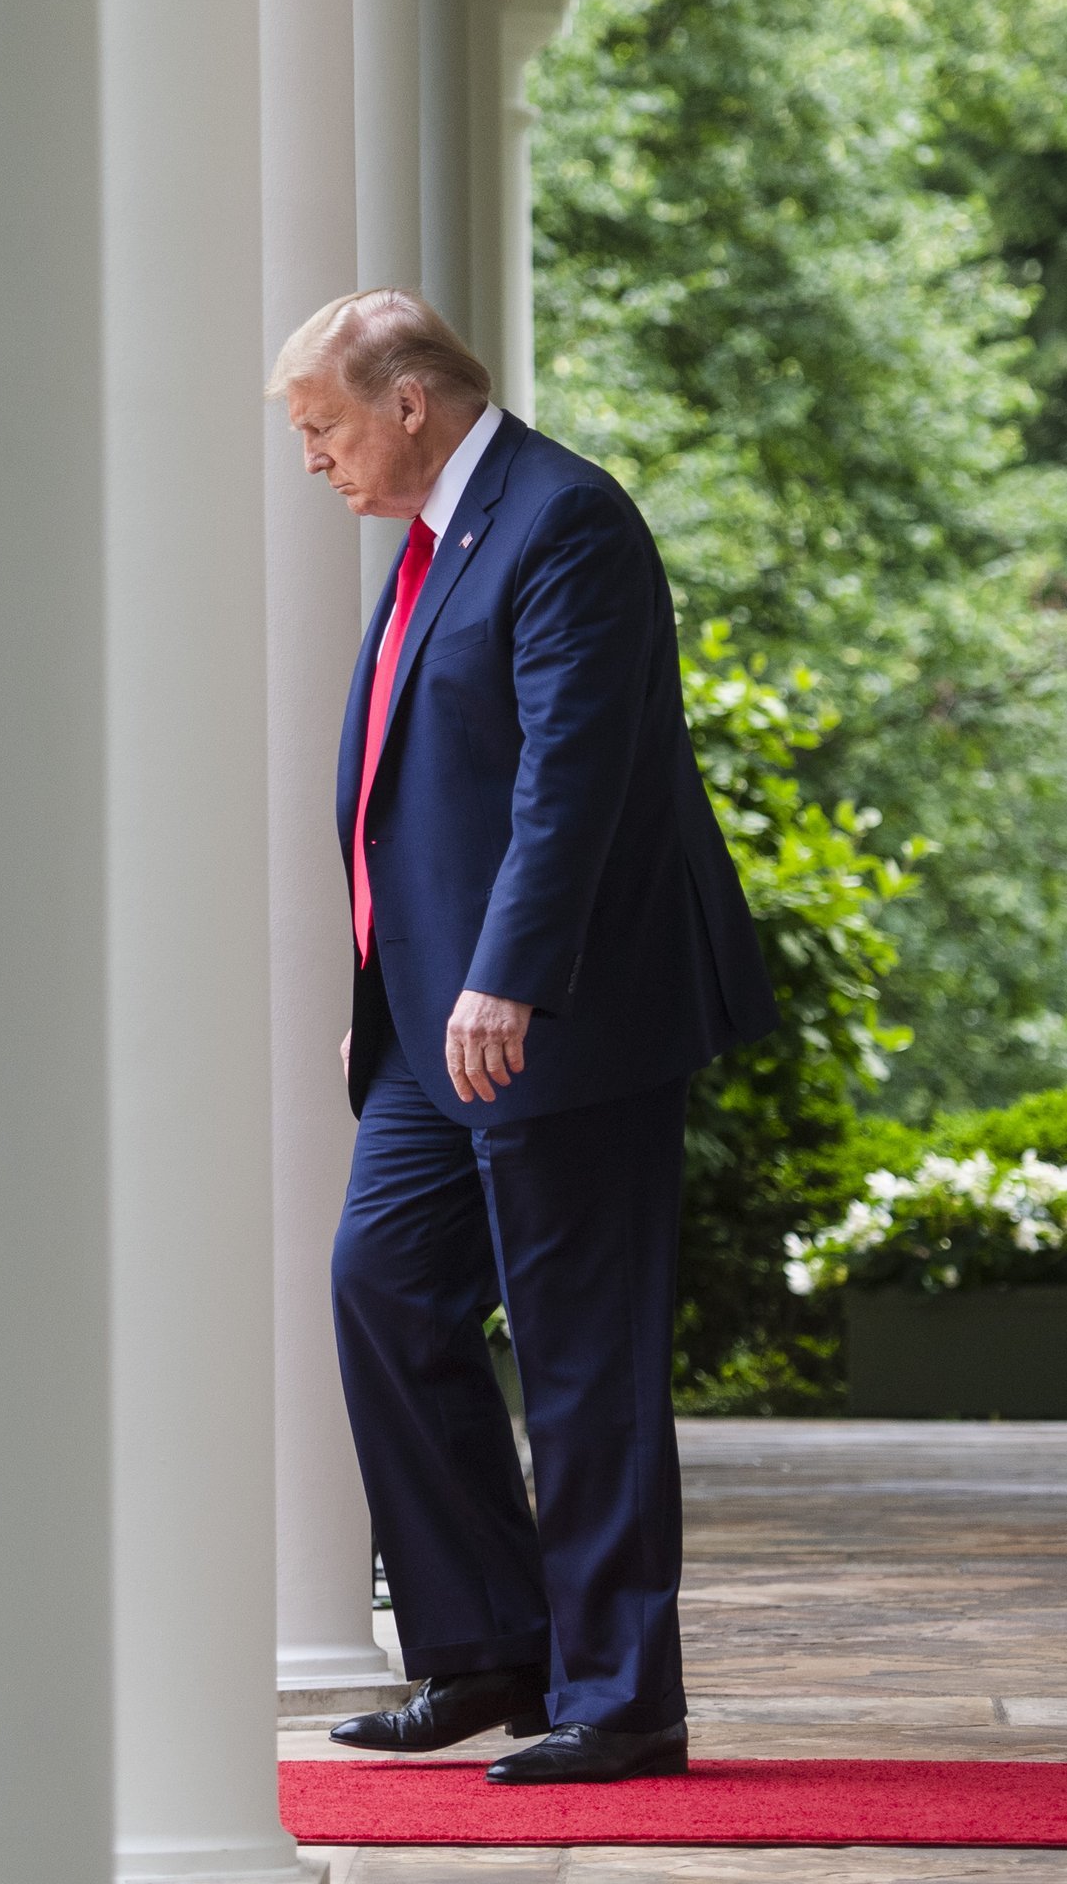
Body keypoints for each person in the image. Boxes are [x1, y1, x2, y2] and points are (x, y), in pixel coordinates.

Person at [272, 289, 775, 1787]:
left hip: (562, 1011)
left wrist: (507, 978)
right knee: (383, 1291)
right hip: (434, 1026)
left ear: (407, 401)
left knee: (580, 1356)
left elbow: (572, 777)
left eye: (322, 426)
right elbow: (423, 788)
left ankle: (620, 1701)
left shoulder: (565, 521)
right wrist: (406, 993)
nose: (312, 459)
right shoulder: (441, 539)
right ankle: (487, 1645)